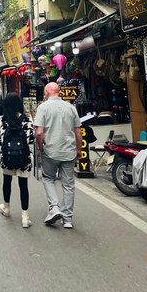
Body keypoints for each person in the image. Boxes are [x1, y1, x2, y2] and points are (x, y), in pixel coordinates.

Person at [35, 82, 82, 229]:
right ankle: (67, 219)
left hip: (50, 151)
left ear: (48, 92)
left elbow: (39, 132)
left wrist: (40, 146)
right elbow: (78, 132)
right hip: (69, 151)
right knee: (68, 184)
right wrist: (79, 150)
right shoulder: (71, 107)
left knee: (48, 178)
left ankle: (54, 208)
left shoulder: (43, 108)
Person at [0, 93, 34, 228]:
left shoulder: (2, 120)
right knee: (23, 186)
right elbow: (31, 139)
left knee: (7, 182)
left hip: (7, 158)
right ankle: (25, 216)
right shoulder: (26, 120)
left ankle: (6, 207)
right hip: (23, 158)